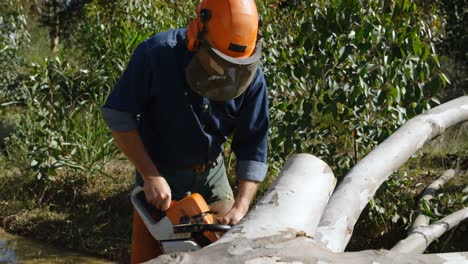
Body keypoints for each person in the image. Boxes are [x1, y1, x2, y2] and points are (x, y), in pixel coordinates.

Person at [101, 0, 269, 262]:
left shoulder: (250, 77)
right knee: (148, 259)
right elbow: (118, 114)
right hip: (160, 174)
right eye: (220, 62)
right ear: (197, 33)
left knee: (231, 253)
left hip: (212, 175)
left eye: (236, 67)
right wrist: (150, 176)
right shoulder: (157, 54)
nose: (228, 73)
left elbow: (254, 145)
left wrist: (242, 205)